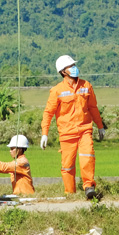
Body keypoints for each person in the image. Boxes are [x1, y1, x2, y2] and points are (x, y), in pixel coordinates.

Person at [41, 54, 106, 199]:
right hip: (67, 133)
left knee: (87, 157)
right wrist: (44, 133)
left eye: (74, 65)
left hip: (85, 130)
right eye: (71, 66)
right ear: (63, 71)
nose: (74, 68)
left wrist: (100, 126)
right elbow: (48, 113)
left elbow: (93, 108)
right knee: (67, 165)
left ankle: (89, 187)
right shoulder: (57, 90)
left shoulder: (86, 86)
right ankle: (70, 192)